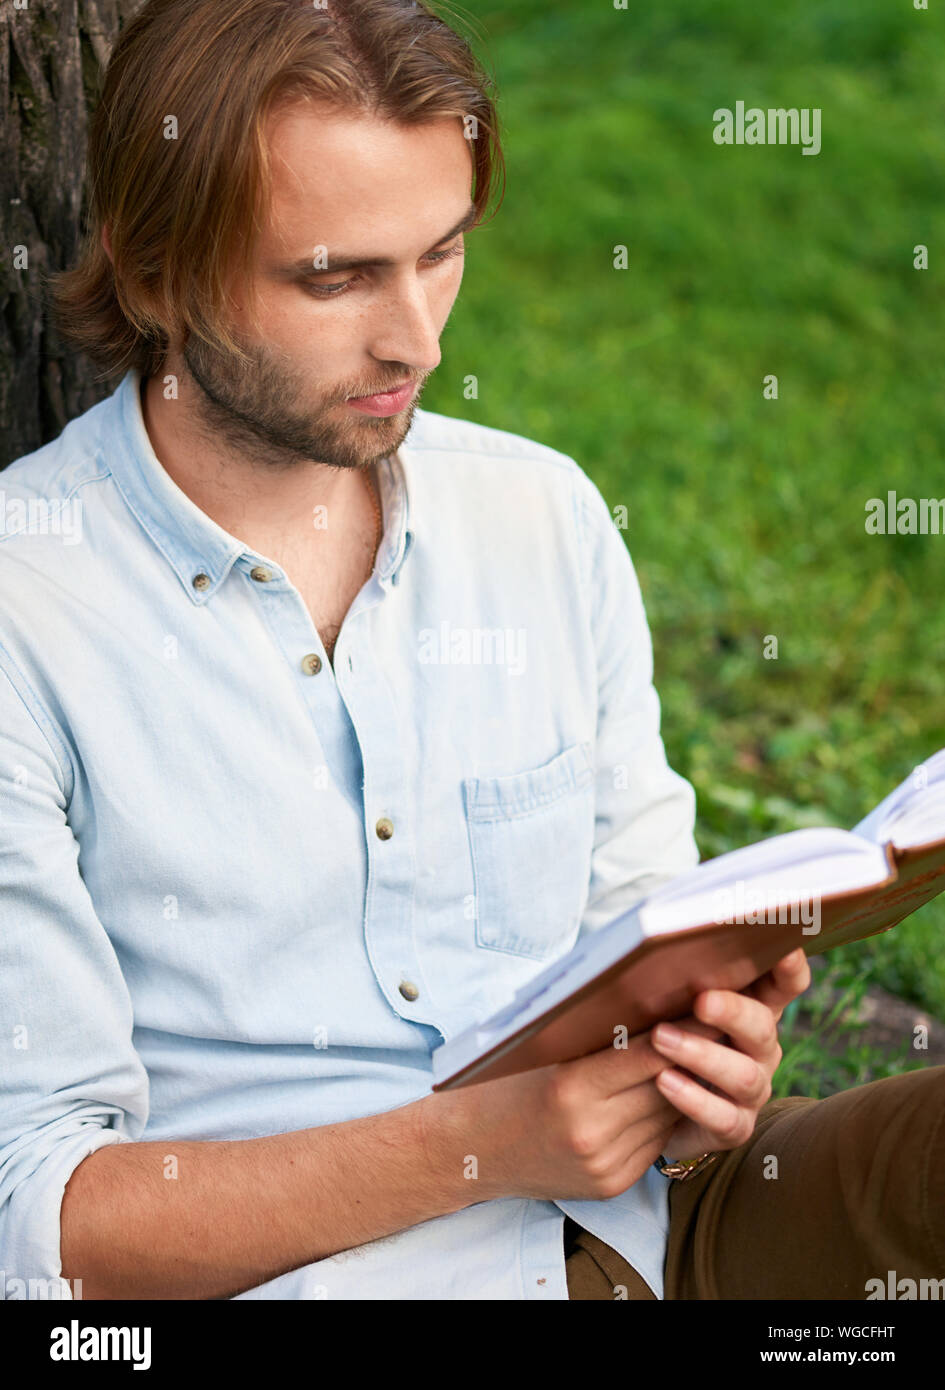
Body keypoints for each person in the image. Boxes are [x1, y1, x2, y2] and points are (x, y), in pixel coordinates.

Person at [0, 0, 939, 1302]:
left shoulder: (539, 512)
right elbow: (48, 1222)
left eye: (439, 253)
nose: (419, 341)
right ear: (154, 272)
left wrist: (711, 1038)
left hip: (656, 1220)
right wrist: (477, 1151)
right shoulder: (27, 609)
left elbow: (639, 910)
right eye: (334, 277)